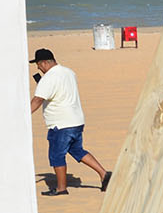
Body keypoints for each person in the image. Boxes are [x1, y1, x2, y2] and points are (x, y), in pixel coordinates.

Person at [29, 48, 111, 196]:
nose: (38, 68)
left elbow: (38, 100)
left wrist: (24, 115)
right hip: (76, 120)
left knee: (56, 155)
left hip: (61, 124)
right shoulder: (69, 72)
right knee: (77, 150)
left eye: (38, 64)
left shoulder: (48, 78)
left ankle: (61, 188)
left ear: (45, 63)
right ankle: (104, 174)